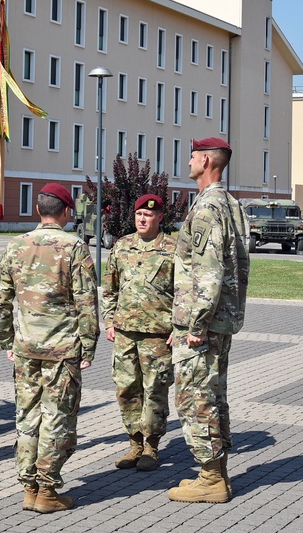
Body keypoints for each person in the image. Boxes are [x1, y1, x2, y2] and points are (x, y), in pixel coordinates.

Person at [0, 182, 99, 514]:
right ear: (66, 212)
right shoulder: (75, 247)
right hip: (61, 350)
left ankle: (29, 486)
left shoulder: (15, 245)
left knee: (27, 415)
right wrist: (88, 347)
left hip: (25, 347)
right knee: (56, 416)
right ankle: (47, 490)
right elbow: (86, 303)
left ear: (38, 210)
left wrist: (7, 340)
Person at [167, 138, 250, 504]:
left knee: (194, 398)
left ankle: (211, 477)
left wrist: (195, 326)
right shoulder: (229, 204)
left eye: (191, 156)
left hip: (204, 326)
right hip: (221, 321)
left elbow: (209, 272)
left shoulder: (207, 208)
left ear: (204, 160)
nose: (188, 162)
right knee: (213, 396)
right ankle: (216, 473)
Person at [102, 193, 176, 472]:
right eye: (138, 215)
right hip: (124, 333)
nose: (142, 219)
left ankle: (152, 445)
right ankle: (134, 442)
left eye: (148, 215)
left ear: (159, 217)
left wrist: (180, 328)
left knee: (155, 390)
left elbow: (183, 291)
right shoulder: (122, 246)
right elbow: (109, 288)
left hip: (158, 334)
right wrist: (109, 322)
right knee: (126, 389)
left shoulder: (173, 248)